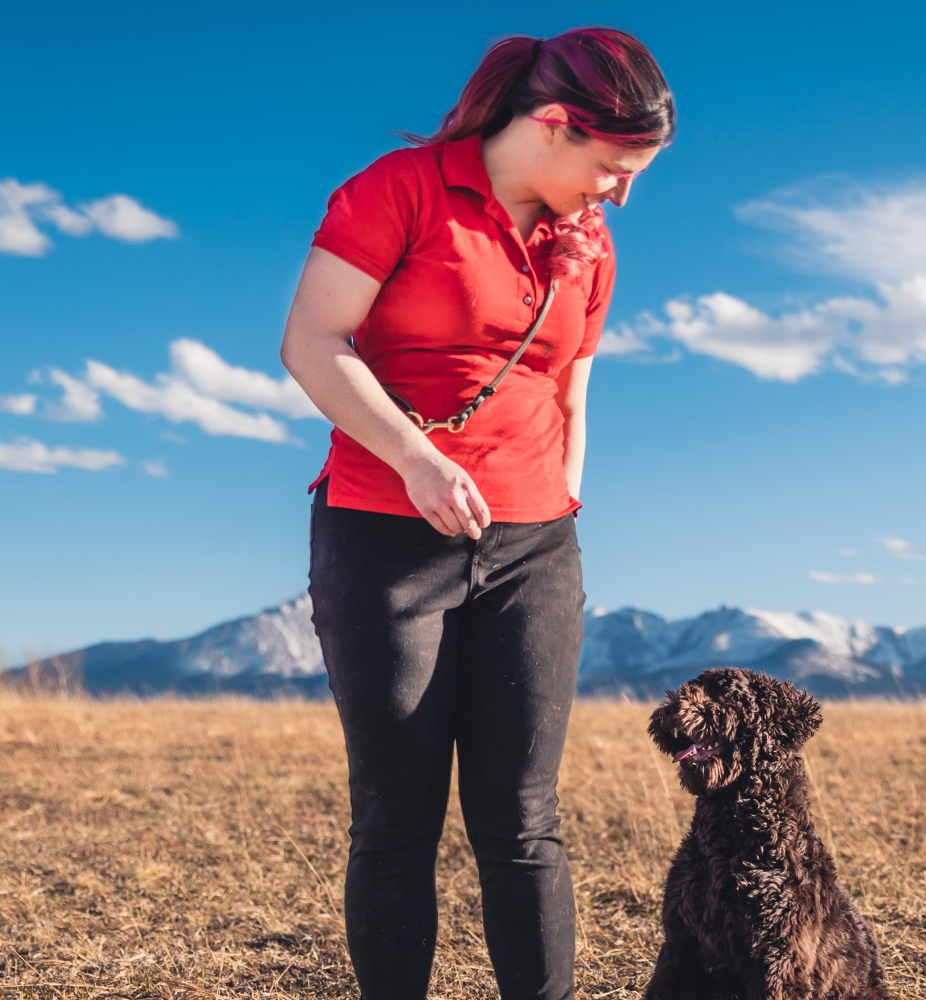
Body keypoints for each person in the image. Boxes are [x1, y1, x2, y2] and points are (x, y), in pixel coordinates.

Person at [277, 27, 674, 1000]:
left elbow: (573, 389)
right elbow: (311, 342)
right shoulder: (398, 190)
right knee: (396, 817)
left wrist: (555, 516)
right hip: (383, 533)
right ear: (550, 125)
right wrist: (415, 461)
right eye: (612, 168)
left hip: (532, 547)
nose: (621, 194)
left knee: (522, 818)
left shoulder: (587, 243)